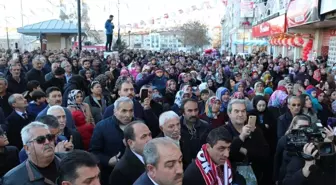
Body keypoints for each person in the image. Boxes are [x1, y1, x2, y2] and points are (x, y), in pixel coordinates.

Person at [89, 97, 135, 184]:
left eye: (131, 111)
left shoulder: (139, 124)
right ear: (115, 111)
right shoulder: (102, 127)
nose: (128, 115)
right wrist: (108, 161)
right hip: (111, 176)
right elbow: (93, 152)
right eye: (124, 111)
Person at [224, 99, 270, 184]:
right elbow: (226, 155)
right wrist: (242, 137)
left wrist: (246, 151)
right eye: (236, 111)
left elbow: (265, 153)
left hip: (255, 176)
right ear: (229, 113)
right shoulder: (223, 131)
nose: (240, 114)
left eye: (243, 111)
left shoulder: (255, 130)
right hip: (230, 178)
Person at [109, 120, 152, 185]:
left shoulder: (155, 155)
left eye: (150, 135)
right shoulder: (120, 171)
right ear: (130, 143)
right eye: (143, 137)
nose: (149, 139)